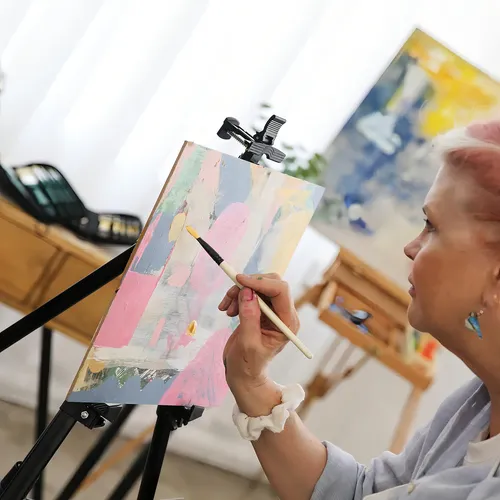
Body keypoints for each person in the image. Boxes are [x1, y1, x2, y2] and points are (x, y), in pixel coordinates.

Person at [219, 120, 500, 499]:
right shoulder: (477, 404)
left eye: (432, 226)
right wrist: (250, 380)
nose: (411, 248)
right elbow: (358, 492)